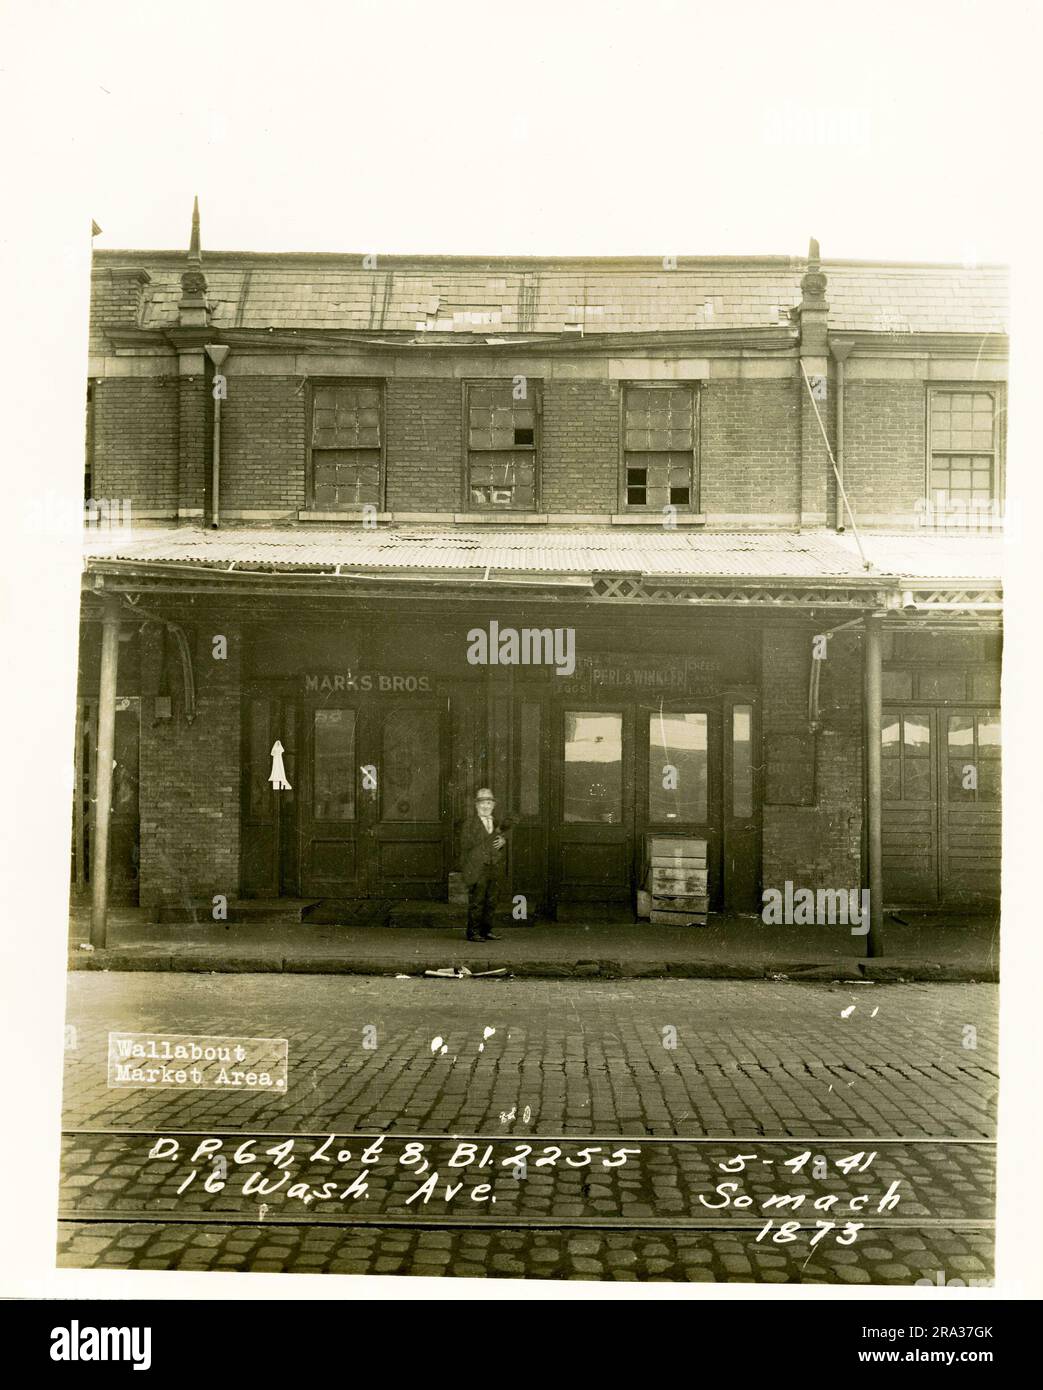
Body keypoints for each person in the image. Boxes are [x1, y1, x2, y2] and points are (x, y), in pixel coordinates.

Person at [459, 788, 507, 941]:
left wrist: (503, 841)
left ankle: (486, 930)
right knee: (477, 901)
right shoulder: (469, 824)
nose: (485, 806)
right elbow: (466, 845)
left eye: (488, 802)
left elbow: (498, 842)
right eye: (481, 803)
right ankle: (473, 932)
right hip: (477, 868)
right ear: (476, 805)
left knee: (491, 899)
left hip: (493, 867)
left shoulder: (496, 822)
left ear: (493, 805)